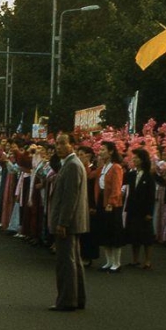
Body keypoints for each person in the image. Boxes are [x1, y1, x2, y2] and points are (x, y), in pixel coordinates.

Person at [48, 133, 88, 312]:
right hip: (73, 221)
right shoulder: (71, 164)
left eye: (63, 143)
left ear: (72, 145)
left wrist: (62, 223)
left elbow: (69, 198)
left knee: (66, 262)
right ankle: (77, 298)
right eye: (57, 143)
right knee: (74, 261)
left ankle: (66, 300)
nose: (58, 147)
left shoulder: (72, 165)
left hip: (68, 222)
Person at [89, 140, 125, 273]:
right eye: (100, 150)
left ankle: (116, 263)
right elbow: (90, 176)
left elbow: (116, 187)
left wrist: (111, 202)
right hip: (101, 202)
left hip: (111, 204)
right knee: (104, 232)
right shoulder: (102, 167)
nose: (101, 152)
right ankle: (108, 261)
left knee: (114, 233)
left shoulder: (116, 167)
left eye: (103, 150)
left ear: (111, 151)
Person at [124, 148, 157, 269]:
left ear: (143, 160)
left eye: (137, 157)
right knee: (134, 235)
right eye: (134, 157)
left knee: (147, 236)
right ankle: (135, 259)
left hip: (144, 210)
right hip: (133, 209)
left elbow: (151, 196)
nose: (134, 159)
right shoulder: (131, 174)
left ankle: (147, 261)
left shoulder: (149, 176)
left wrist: (150, 212)